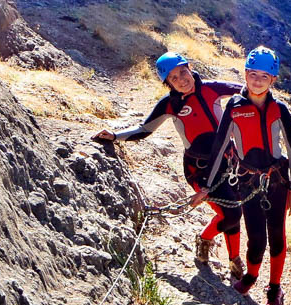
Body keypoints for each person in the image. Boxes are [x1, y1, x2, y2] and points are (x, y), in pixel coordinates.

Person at [91, 52, 245, 278]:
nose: (182, 79)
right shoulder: (169, 105)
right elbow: (143, 130)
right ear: (168, 84)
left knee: (232, 208)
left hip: (228, 162)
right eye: (173, 78)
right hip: (199, 169)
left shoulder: (212, 88)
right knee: (231, 213)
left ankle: (233, 258)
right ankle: (205, 238)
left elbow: (248, 91)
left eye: (183, 71)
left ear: (190, 67)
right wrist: (115, 136)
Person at [199, 46, 291, 305]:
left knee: (277, 237)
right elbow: (219, 147)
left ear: (273, 81)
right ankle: (252, 276)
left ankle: (275, 288)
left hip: (277, 181)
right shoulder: (234, 106)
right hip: (247, 182)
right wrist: (207, 186)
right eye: (253, 74)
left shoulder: (280, 109)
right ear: (245, 74)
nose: (257, 80)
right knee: (256, 238)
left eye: (264, 76)